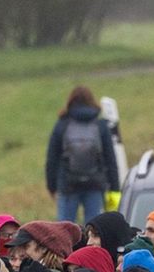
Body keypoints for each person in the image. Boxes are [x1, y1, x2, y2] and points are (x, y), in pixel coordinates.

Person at [46, 86, 121, 224]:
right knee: (94, 229)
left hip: (68, 185)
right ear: (92, 101)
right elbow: (111, 159)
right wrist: (115, 188)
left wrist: (52, 187)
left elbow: (52, 159)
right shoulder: (100, 125)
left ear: (70, 101)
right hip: (95, 184)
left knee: (64, 230)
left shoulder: (62, 125)